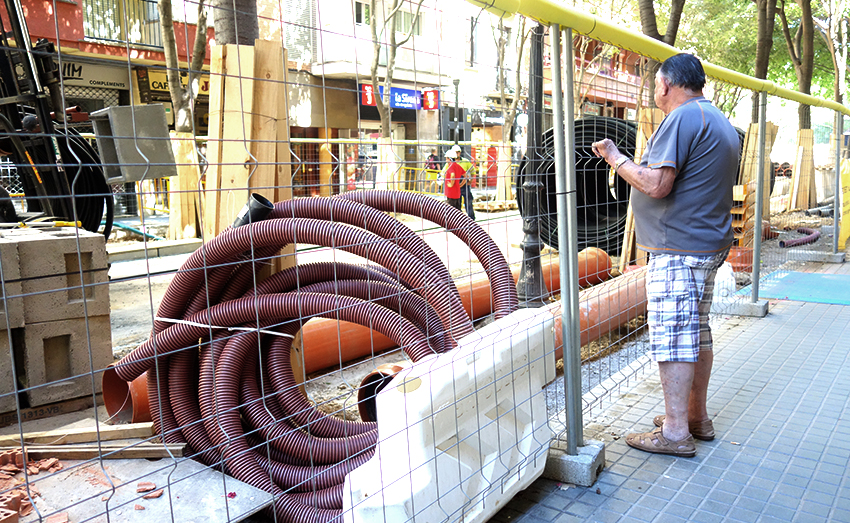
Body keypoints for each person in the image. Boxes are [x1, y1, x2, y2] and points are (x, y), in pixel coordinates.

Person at [591, 54, 740, 458]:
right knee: (697, 331)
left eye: (656, 84)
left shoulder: (682, 118)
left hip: (679, 249)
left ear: (666, 85)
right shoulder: (720, 121)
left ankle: (675, 432)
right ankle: (696, 417)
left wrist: (615, 157)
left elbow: (656, 184)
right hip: (706, 244)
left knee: (673, 338)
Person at [452, 145, 477, 220]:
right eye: (455, 152)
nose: (456, 154)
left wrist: (471, 180)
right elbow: (444, 172)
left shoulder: (465, 161)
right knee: (457, 203)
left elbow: (473, 171)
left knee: (468, 201)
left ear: (460, 153)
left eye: (457, 152)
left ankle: (471, 218)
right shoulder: (450, 163)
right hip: (455, 185)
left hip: (465, 184)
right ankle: (459, 219)